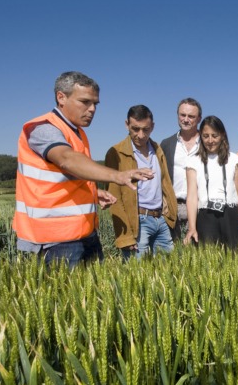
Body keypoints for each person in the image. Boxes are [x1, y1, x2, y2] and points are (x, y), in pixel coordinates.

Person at [13, 71, 154, 269]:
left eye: (95, 103)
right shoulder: (42, 127)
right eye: (85, 102)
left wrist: (94, 193)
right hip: (56, 240)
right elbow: (67, 159)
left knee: (94, 297)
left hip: (86, 233)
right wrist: (117, 176)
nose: (92, 109)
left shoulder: (78, 133)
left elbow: (63, 180)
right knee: (66, 299)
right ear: (61, 97)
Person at [105, 104, 178, 260]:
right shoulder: (116, 153)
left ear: (152, 127)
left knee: (169, 272)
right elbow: (114, 197)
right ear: (127, 125)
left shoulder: (157, 149)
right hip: (138, 222)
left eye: (146, 129)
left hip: (161, 219)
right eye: (135, 129)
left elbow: (165, 183)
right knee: (138, 277)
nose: (140, 134)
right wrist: (125, 236)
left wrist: (170, 215)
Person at [183, 116, 238, 250]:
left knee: (236, 259)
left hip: (231, 214)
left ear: (222, 135)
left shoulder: (235, 160)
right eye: (206, 136)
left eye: (214, 136)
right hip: (206, 217)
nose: (210, 140)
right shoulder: (193, 162)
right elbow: (192, 197)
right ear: (200, 136)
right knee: (209, 261)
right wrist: (192, 228)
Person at [160, 98, 202, 241]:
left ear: (199, 119)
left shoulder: (207, 143)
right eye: (182, 115)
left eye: (191, 116)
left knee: (200, 251)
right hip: (173, 207)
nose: (186, 119)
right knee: (173, 253)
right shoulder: (166, 144)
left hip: (200, 207)